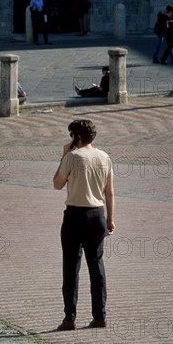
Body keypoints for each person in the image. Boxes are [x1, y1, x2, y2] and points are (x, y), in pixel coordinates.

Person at [53, 120, 115, 331]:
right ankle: (100, 315)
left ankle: (69, 318)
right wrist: (110, 219)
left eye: (71, 136)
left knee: (71, 267)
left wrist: (63, 156)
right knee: (96, 265)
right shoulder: (104, 157)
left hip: (75, 215)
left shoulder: (72, 157)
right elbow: (110, 192)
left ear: (76, 137)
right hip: (97, 214)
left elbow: (57, 184)